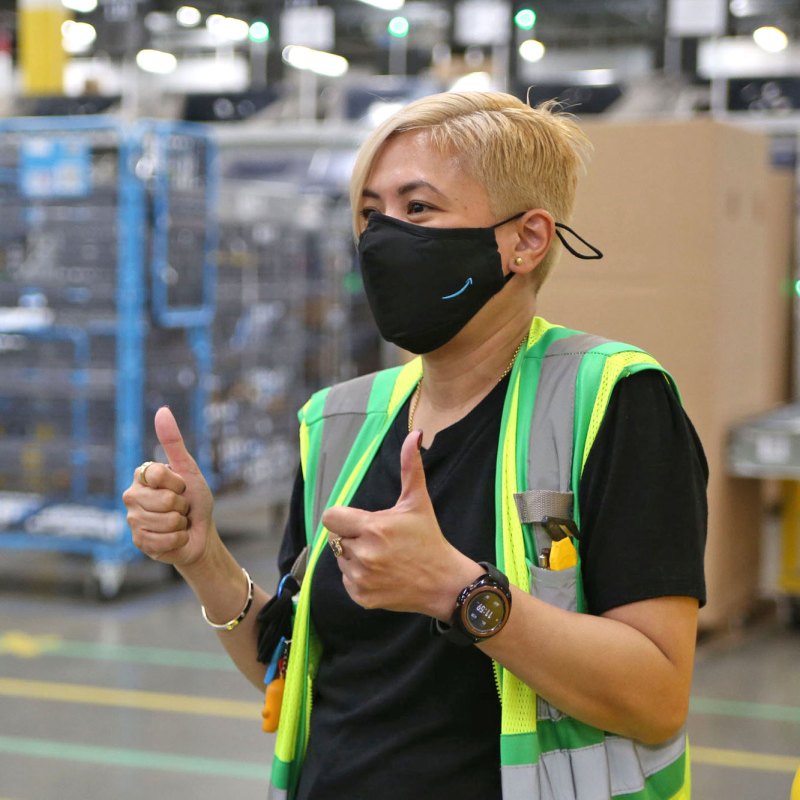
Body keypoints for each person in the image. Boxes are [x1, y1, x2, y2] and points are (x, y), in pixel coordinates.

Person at [123, 91, 707, 800]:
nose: (382, 239)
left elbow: (655, 695)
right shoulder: (338, 421)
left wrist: (459, 593)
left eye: (419, 209)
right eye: (371, 214)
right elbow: (292, 664)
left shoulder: (612, 401)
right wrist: (201, 554)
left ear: (525, 240)